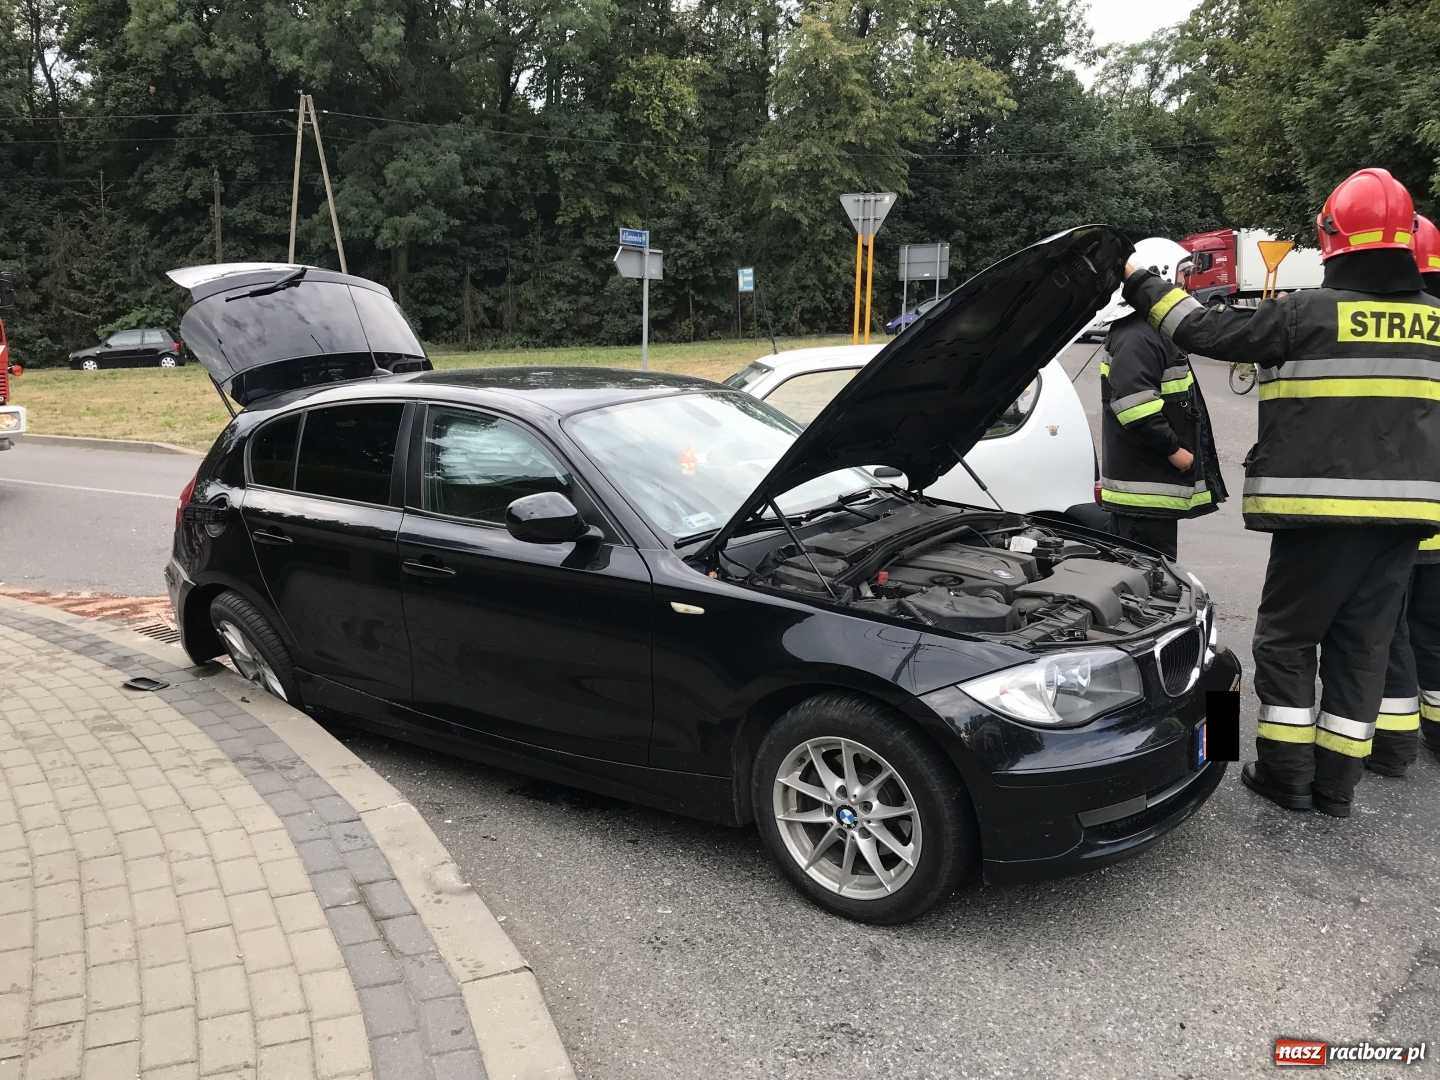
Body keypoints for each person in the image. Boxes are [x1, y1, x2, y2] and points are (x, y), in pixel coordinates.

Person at [1121, 168, 1440, 817]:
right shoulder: (1434, 322)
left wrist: (1140, 280)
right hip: (1406, 524)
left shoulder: (1304, 314)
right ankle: (1336, 789)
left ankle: (1287, 775)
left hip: (1317, 520)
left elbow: (1201, 330)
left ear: (1331, 236)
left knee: (1287, 643)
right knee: (1362, 649)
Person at [1098, 237, 1226, 558]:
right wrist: (1175, 451)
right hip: (1144, 497)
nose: (1186, 284)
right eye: (1182, 275)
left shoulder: (1150, 331)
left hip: (1151, 494)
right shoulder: (1137, 335)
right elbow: (1134, 405)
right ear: (1160, 274)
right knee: (1148, 586)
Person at [1368, 213, 1440, 775]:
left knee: (1388, 631)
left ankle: (1393, 749)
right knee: (1434, 633)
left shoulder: (1381, 326)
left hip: (1396, 517)